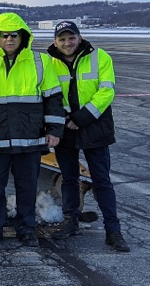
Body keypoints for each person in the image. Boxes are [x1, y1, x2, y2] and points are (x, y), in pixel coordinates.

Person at [0, 12, 65, 247]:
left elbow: (53, 99)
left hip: (29, 139)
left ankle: (26, 228)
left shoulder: (41, 63)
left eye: (14, 35)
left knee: (27, 187)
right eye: (3, 35)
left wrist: (54, 130)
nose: (9, 39)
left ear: (23, 37)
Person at [47, 21, 129, 252]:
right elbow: (48, 93)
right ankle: (70, 221)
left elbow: (106, 91)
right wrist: (63, 119)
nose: (67, 43)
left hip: (94, 126)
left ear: (79, 37)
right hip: (65, 127)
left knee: (102, 180)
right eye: (62, 39)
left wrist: (81, 118)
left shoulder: (100, 57)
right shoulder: (49, 62)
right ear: (55, 41)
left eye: (71, 37)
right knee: (69, 178)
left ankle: (113, 231)